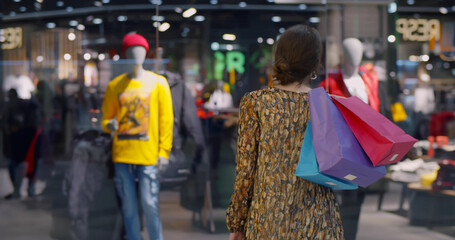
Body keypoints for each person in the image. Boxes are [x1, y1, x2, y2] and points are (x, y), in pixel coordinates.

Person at [226, 24, 344, 240]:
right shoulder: (327, 105)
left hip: (269, 220)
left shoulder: (257, 103)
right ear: (315, 64)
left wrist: (237, 223)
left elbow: (245, 171)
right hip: (319, 220)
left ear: (279, 57)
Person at [101, 33, 174, 240]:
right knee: (129, 207)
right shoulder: (115, 86)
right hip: (122, 155)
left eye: (140, 51)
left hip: (148, 155)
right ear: (126, 54)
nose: (137, 55)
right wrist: (109, 124)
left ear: (146, 53)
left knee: (150, 204)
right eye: (132, 51)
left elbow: (166, 120)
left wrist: (164, 151)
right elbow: (105, 120)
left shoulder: (158, 83)